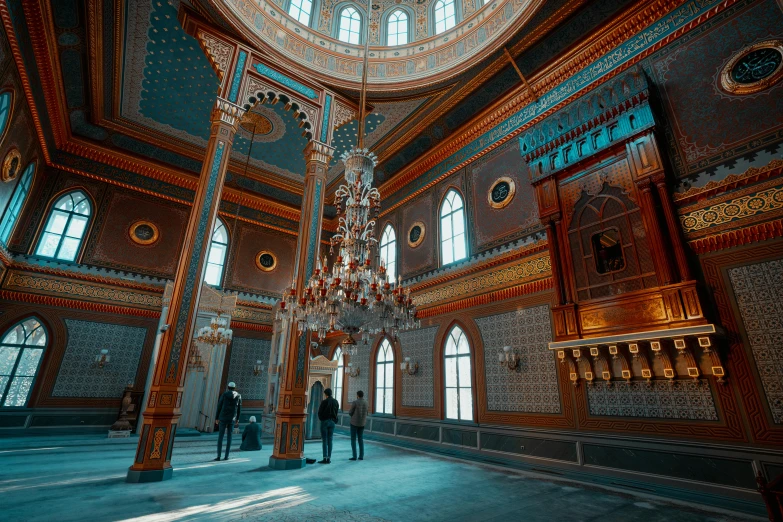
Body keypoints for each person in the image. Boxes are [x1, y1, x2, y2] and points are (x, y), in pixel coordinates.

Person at [214, 382, 242, 461]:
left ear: (228, 387)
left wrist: (217, 418)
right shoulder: (238, 396)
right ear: (234, 388)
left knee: (221, 437)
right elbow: (239, 408)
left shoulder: (225, 394)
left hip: (223, 417)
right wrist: (238, 419)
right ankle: (226, 456)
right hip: (232, 419)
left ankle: (218, 456)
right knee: (229, 437)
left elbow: (219, 406)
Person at [317, 388, 339, 464]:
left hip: (325, 422)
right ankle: (329, 458)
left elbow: (320, 412)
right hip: (332, 422)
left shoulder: (324, 402)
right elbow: (336, 412)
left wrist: (322, 419)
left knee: (324, 440)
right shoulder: (336, 401)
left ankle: (325, 458)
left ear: (326, 394)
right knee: (330, 440)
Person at [348, 390, 368, 461]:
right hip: (362, 423)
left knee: (353, 439)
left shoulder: (355, 402)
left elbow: (350, 412)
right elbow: (366, 413)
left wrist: (352, 415)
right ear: (363, 395)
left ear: (357, 395)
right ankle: (361, 456)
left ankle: (354, 456)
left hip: (354, 423)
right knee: (360, 439)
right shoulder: (366, 402)